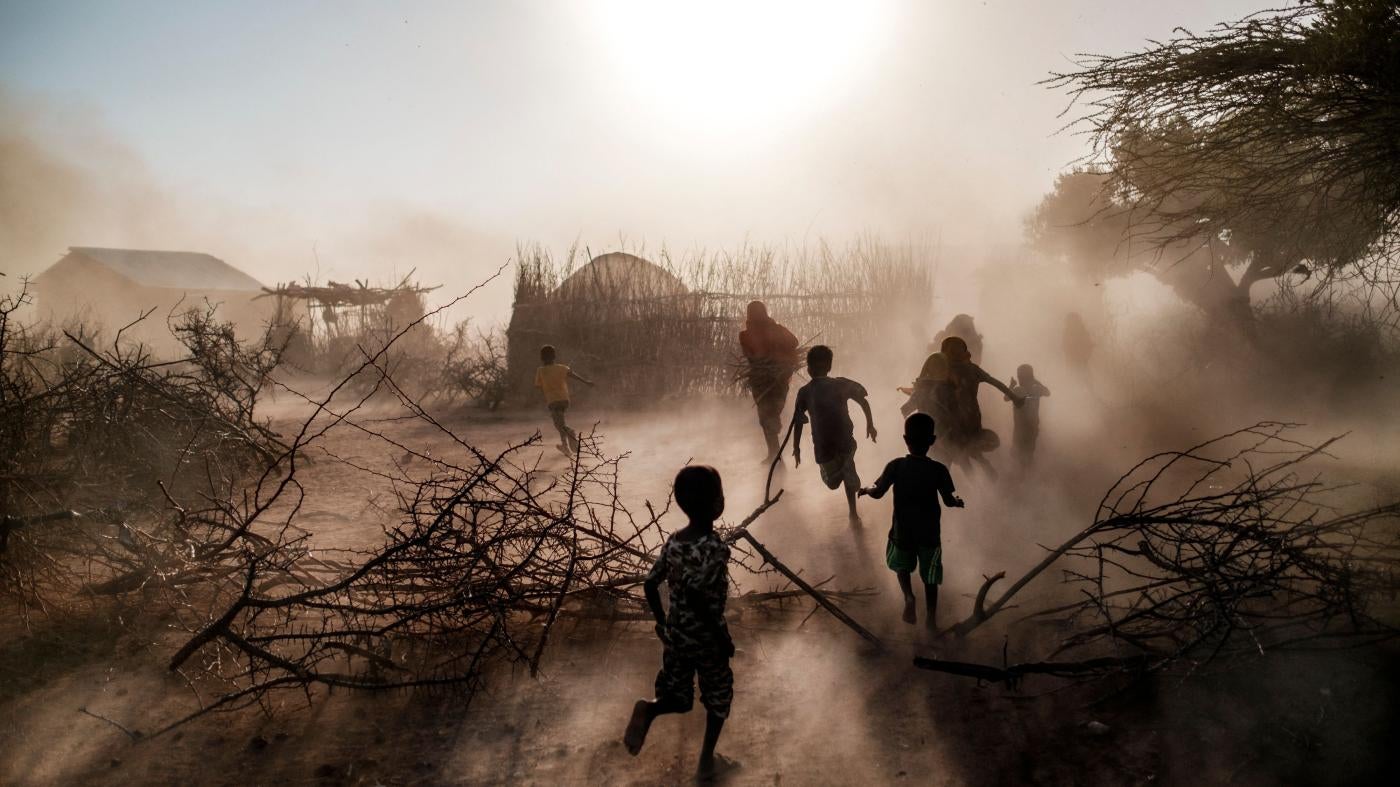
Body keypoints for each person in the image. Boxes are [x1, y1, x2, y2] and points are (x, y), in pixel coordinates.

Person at [625, 465, 736, 782]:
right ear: (716, 504)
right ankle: (705, 763)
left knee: (678, 698)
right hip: (707, 639)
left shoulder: (673, 542)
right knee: (718, 697)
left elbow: (650, 584)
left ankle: (649, 709)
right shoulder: (715, 548)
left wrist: (663, 624)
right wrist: (722, 638)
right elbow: (701, 600)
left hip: (676, 637)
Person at [859, 413, 963, 629]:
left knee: (901, 566)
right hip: (929, 533)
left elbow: (878, 493)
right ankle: (931, 620)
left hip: (903, 531)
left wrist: (866, 489)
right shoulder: (939, 470)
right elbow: (948, 500)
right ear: (932, 441)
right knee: (931, 577)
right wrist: (958, 501)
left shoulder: (896, 466)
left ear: (905, 439)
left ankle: (908, 597)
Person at [791, 345, 877, 525]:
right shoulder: (835, 385)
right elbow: (863, 400)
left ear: (808, 369)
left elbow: (798, 422)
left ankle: (853, 513)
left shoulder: (807, 391)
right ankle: (847, 474)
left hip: (830, 444)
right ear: (829, 367)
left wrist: (796, 447)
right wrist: (870, 423)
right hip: (835, 442)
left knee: (837, 478)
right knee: (834, 482)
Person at [941, 336, 1023, 477]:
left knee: (955, 451)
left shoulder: (946, 370)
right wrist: (1015, 398)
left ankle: (974, 483)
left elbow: (931, 389)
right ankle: (983, 473)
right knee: (965, 448)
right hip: (971, 416)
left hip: (953, 418)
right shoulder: (972, 369)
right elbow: (996, 383)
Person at [738, 300, 800, 462]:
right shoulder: (775, 329)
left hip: (764, 381)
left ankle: (774, 453)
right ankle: (774, 453)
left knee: (766, 416)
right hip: (775, 379)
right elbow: (795, 342)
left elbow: (750, 355)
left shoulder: (746, 335)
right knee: (770, 414)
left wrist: (769, 358)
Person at [533, 344, 594, 456]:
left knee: (559, 425)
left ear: (541, 357)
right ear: (554, 356)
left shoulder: (540, 371)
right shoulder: (562, 368)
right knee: (561, 422)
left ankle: (570, 433)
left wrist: (541, 399)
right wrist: (586, 382)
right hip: (564, 400)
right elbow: (574, 375)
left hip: (552, 401)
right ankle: (565, 447)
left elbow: (538, 387)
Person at [1007, 364, 1051, 468]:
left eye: (1021, 376)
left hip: (1028, 428)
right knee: (1021, 454)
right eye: (1019, 376)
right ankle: (1025, 475)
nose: (1019, 378)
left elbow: (1006, 397)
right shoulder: (1029, 389)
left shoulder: (1029, 389)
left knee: (1024, 454)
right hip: (1023, 428)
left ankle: (1026, 475)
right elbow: (1047, 392)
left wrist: (1011, 386)